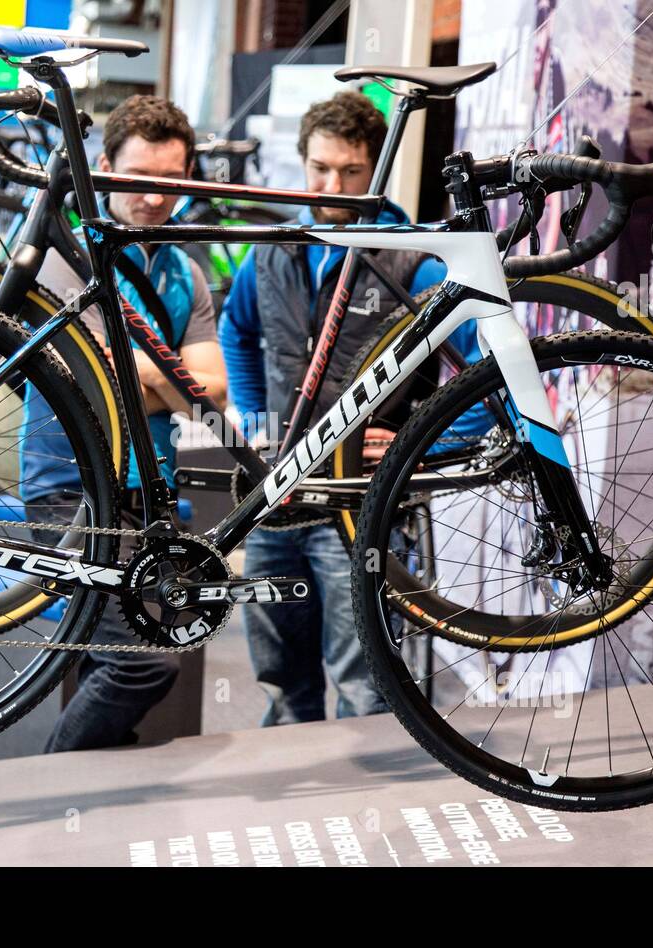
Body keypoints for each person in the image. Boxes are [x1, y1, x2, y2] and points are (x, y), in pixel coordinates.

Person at [218, 90, 484, 725]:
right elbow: (237, 329)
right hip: (279, 502)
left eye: (350, 171)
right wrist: (257, 422)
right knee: (280, 680)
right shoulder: (274, 248)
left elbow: (486, 378)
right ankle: (293, 814)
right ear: (302, 162)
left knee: (362, 685)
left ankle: (357, 818)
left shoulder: (415, 261)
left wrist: (418, 446)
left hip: (362, 506)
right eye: (319, 168)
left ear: (376, 170)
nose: (331, 184)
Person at [26, 95, 228, 752]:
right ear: (105, 167)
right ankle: (48, 789)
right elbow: (92, 392)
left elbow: (212, 392)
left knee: (112, 654)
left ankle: (81, 808)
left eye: (170, 182)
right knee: (143, 661)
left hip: (152, 494)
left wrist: (139, 372)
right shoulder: (66, 260)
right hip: (71, 491)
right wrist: (160, 382)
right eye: (137, 180)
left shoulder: (183, 271)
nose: (153, 198)